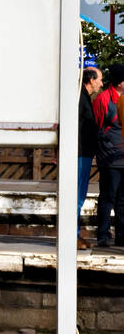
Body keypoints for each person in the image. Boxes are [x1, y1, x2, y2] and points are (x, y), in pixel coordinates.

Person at [93, 62, 124, 249]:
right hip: (110, 158)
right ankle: (103, 235)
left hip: (123, 157)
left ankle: (121, 235)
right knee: (107, 197)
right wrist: (105, 147)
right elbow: (96, 127)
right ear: (119, 81)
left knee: (123, 200)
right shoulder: (104, 99)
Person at [78, 61, 102, 249]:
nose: (101, 84)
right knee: (77, 194)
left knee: (80, 193)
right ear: (91, 80)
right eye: (99, 80)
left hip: (84, 151)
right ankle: (74, 235)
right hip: (80, 152)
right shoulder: (81, 99)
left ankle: (74, 234)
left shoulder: (84, 98)